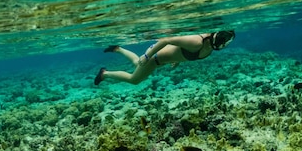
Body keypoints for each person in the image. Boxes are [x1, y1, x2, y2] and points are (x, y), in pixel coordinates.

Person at [94, 30, 236, 85]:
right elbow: (167, 39)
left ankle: (118, 49)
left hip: (159, 60)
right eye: (225, 44)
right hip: (154, 57)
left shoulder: (208, 46)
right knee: (134, 79)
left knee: (136, 62)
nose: (225, 46)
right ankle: (105, 74)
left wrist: (178, 61)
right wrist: (147, 55)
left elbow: (184, 53)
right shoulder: (197, 41)